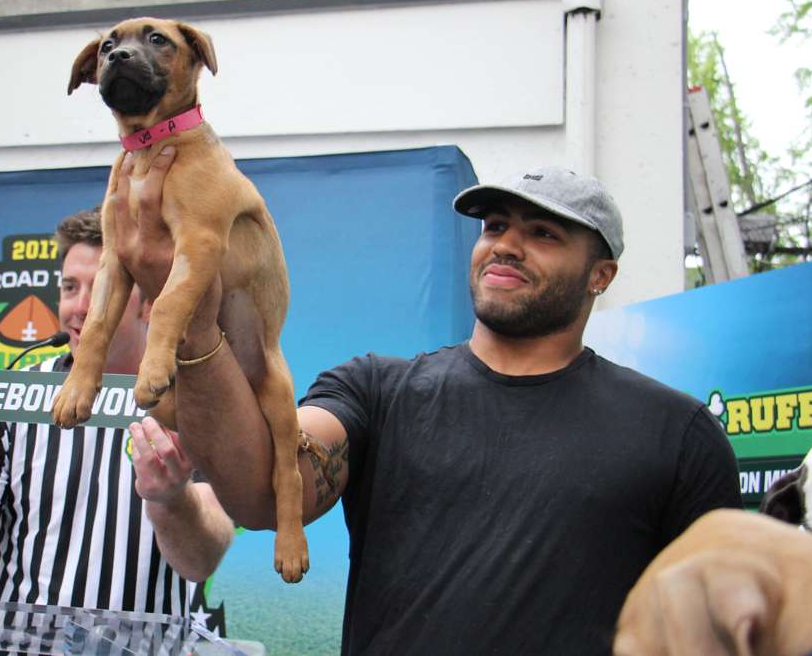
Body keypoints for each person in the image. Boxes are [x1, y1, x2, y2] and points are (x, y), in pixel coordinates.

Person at [111, 151, 743, 655]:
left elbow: (712, 629)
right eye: (494, 227)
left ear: (599, 274)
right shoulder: (377, 392)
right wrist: (190, 317)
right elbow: (259, 495)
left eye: (543, 233)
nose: (505, 245)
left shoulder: (676, 434)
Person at [0, 208, 232, 647]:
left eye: (103, 287)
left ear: (151, 300)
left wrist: (171, 498)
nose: (80, 308)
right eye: (68, 287)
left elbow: (201, 560)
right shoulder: (12, 396)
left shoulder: (194, 398)